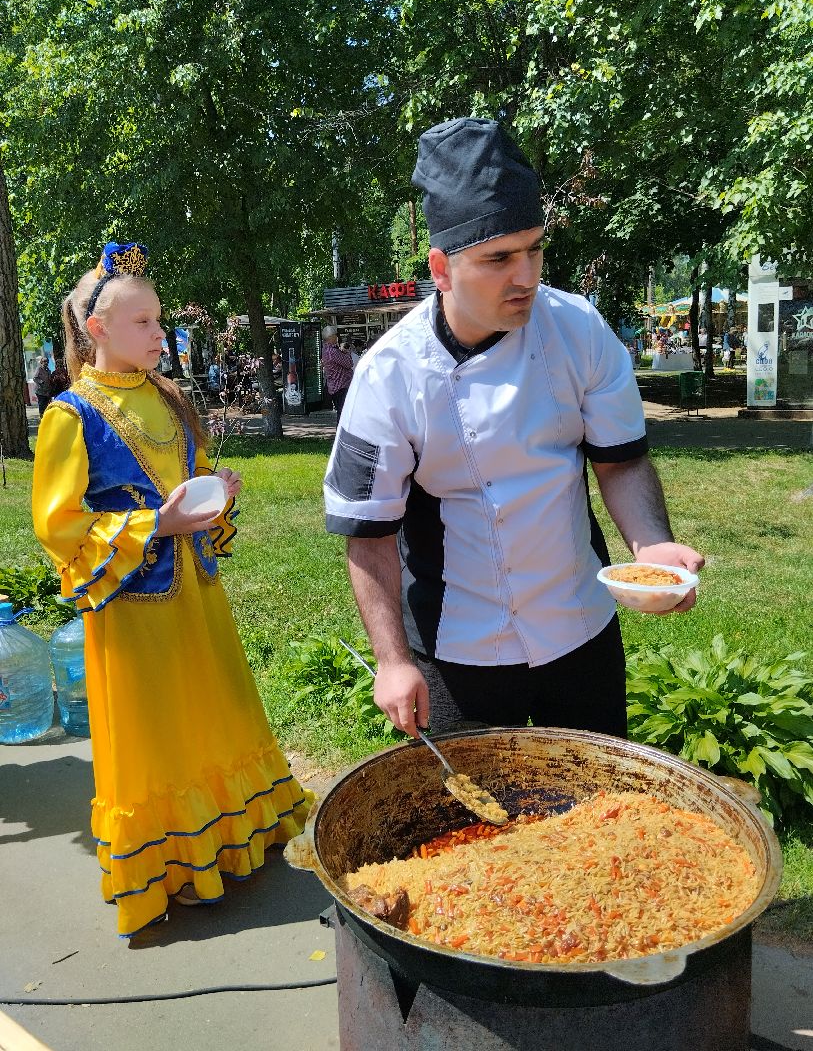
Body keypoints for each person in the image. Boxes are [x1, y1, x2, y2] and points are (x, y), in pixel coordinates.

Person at [323, 117, 704, 740]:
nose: (525, 276)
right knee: (467, 831)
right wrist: (392, 662)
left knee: (596, 816)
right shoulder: (390, 374)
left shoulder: (578, 328)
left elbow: (622, 460)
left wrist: (651, 544)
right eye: (498, 258)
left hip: (579, 625)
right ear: (441, 269)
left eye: (534, 249)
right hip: (458, 646)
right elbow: (368, 533)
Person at [31, 241, 313, 938]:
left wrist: (218, 498)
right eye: (144, 323)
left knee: (215, 707)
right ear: (96, 329)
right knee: (159, 731)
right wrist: (161, 521)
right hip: (135, 613)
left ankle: (235, 839)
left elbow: (195, 472)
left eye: (159, 321)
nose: (161, 335)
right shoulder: (72, 414)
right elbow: (60, 527)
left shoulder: (167, 395)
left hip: (197, 598)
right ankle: (176, 867)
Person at [320, 325, 354, 423]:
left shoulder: (325, 350)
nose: (337, 337)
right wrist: (346, 353)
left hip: (333, 386)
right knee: (343, 413)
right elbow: (349, 364)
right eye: (335, 335)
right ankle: (341, 435)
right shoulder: (333, 352)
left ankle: (341, 434)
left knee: (341, 412)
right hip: (341, 387)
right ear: (331, 337)